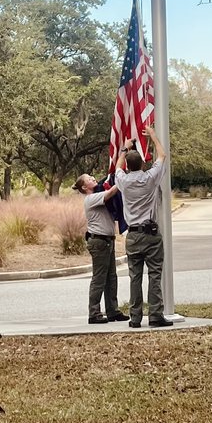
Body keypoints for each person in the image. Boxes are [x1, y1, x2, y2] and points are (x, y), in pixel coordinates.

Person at [116, 124, 170, 328]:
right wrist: (154, 137)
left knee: (134, 277)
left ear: (129, 166)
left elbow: (117, 169)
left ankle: (135, 318)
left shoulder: (124, 181)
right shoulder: (150, 179)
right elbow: (162, 156)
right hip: (150, 235)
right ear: (142, 164)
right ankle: (155, 315)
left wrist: (124, 148)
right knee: (155, 274)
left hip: (133, 235)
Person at [74, 172, 128, 324]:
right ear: (85, 187)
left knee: (111, 277)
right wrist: (122, 180)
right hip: (99, 242)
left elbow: (108, 185)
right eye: (89, 179)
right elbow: (110, 192)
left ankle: (112, 311)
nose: (93, 178)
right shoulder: (91, 198)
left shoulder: (97, 193)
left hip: (107, 240)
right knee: (99, 278)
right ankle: (94, 313)